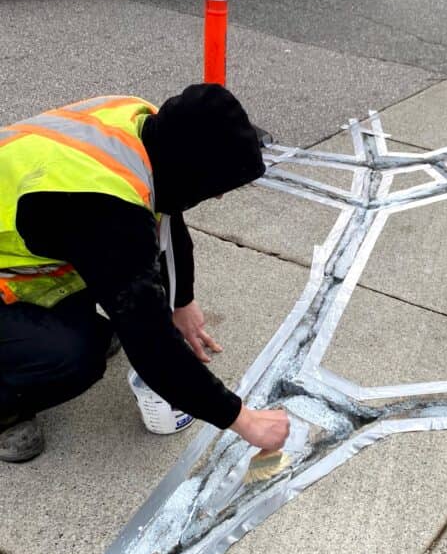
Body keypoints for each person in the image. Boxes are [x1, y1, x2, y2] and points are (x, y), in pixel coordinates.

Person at [0, 84, 290, 463]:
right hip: (35, 245)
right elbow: (151, 344)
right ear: (190, 175)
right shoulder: (101, 206)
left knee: (111, 316)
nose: (217, 198)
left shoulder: (146, 127)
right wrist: (243, 420)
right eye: (215, 189)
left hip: (31, 235)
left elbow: (167, 217)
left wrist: (181, 300)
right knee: (76, 355)